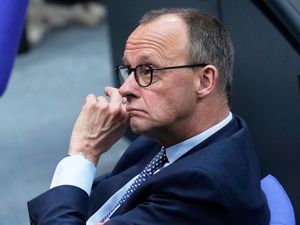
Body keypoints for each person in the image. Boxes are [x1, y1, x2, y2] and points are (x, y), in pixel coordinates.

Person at [28, 8, 270, 225]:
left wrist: (83, 152)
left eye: (148, 71)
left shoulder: (203, 187)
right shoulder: (166, 136)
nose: (125, 89)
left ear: (204, 80)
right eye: (129, 71)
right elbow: (97, 198)